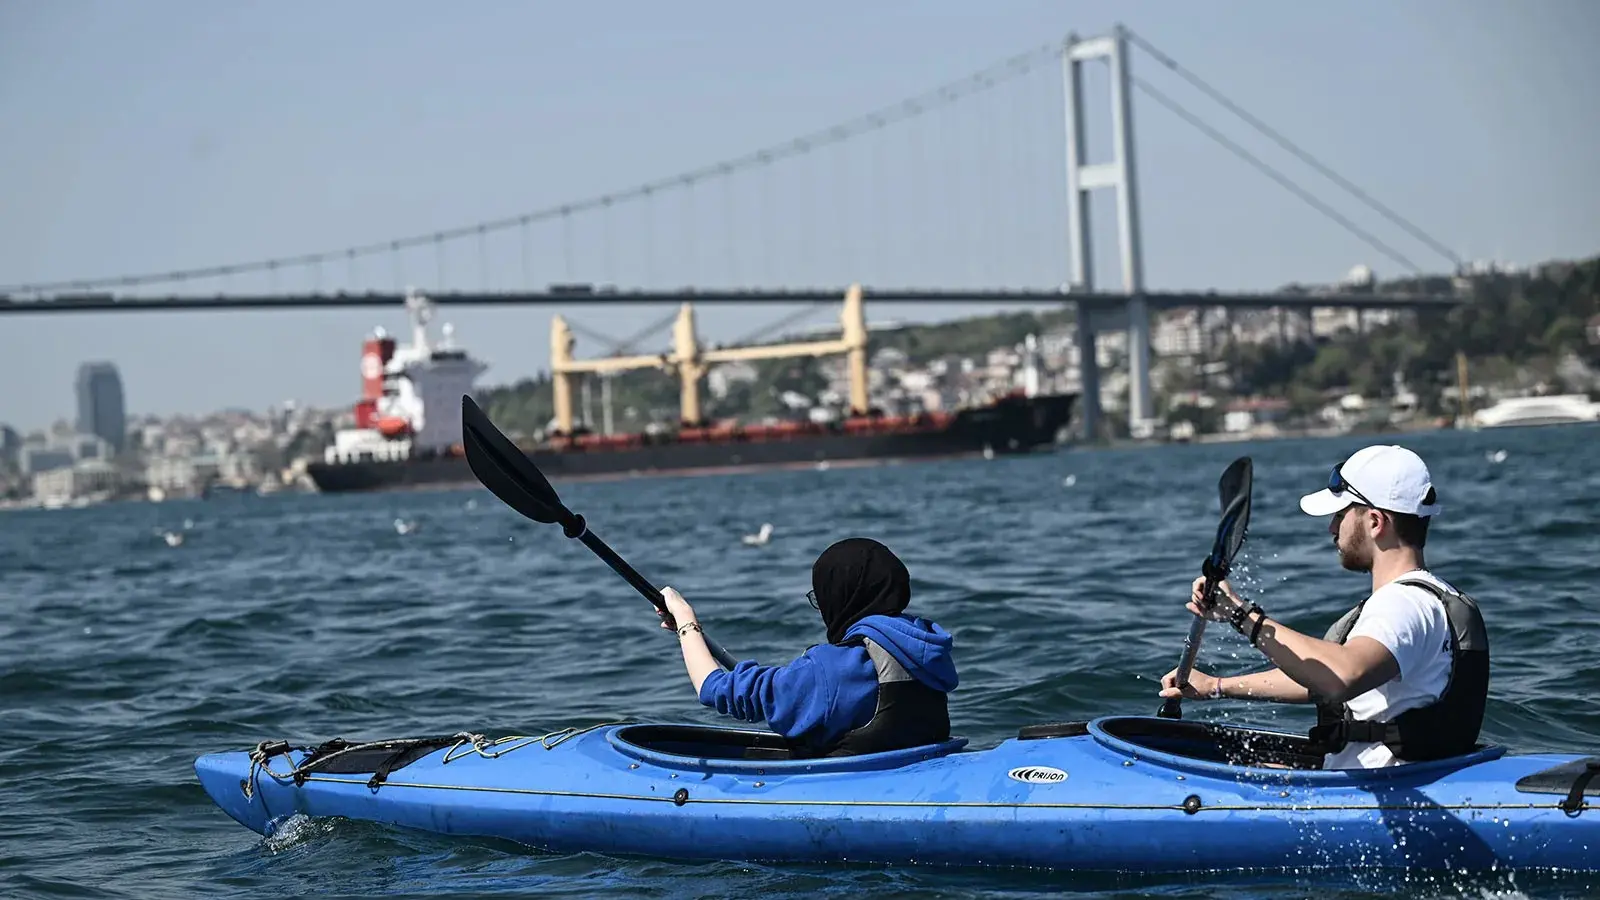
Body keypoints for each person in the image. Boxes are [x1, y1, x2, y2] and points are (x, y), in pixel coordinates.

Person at [1158, 444, 1489, 769]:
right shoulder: (1427, 598)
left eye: (1340, 514)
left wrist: (1244, 617)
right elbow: (1318, 677)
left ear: (1375, 521)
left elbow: (1341, 677)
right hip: (1379, 782)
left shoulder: (1402, 605)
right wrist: (1217, 686)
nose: (1332, 527)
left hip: (1374, 795)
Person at [656, 536, 959, 757]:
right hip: (918, 773)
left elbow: (715, 689)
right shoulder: (926, 647)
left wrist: (686, 622)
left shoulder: (833, 668)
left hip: (855, 792)